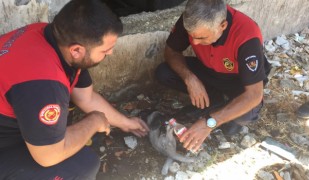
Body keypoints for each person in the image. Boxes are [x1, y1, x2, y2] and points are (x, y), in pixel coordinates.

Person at [0, 0, 149, 179]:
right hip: (6, 146)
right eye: (106, 50)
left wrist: (126, 123)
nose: (110, 53)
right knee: (82, 165)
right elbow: (48, 155)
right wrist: (94, 122)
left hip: (13, 122)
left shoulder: (52, 37)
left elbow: (86, 97)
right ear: (76, 50)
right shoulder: (44, 84)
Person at [155, 0, 271, 152]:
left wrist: (209, 122)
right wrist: (190, 78)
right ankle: (216, 99)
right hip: (209, 70)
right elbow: (171, 52)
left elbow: (254, 94)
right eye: (192, 37)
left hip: (238, 80)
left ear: (222, 26)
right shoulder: (192, 19)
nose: (194, 43)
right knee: (164, 73)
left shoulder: (247, 35)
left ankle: (220, 105)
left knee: (244, 116)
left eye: (202, 38)